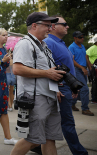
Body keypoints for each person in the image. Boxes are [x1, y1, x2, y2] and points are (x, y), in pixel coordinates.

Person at [10, 12, 64, 155]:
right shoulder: (25, 44)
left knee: (50, 138)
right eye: (47, 25)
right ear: (34, 25)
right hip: (35, 98)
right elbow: (17, 69)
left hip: (49, 96)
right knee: (33, 139)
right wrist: (47, 73)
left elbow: (46, 71)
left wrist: (55, 88)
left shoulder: (43, 45)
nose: (50, 28)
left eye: (51, 25)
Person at [44, 16, 88, 155]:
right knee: (67, 123)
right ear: (54, 26)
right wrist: (55, 87)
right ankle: (80, 153)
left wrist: (73, 86)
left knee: (55, 124)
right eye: (65, 24)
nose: (67, 26)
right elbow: (45, 68)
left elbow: (67, 68)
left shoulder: (61, 43)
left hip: (65, 87)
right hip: (60, 89)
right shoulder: (48, 43)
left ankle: (36, 146)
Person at [69, 31, 94, 116]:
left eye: (82, 37)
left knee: (78, 88)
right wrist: (82, 68)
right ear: (75, 38)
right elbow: (72, 60)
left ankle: (72, 104)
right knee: (85, 89)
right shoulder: (71, 47)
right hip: (77, 69)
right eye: (80, 37)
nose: (82, 38)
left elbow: (85, 57)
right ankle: (85, 109)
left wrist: (89, 67)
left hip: (84, 69)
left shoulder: (82, 46)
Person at [86, 36, 97, 104]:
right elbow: (86, 55)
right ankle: (94, 99)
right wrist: (90, 66)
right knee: (95, 83)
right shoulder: (92, 48)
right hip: (94, 68)